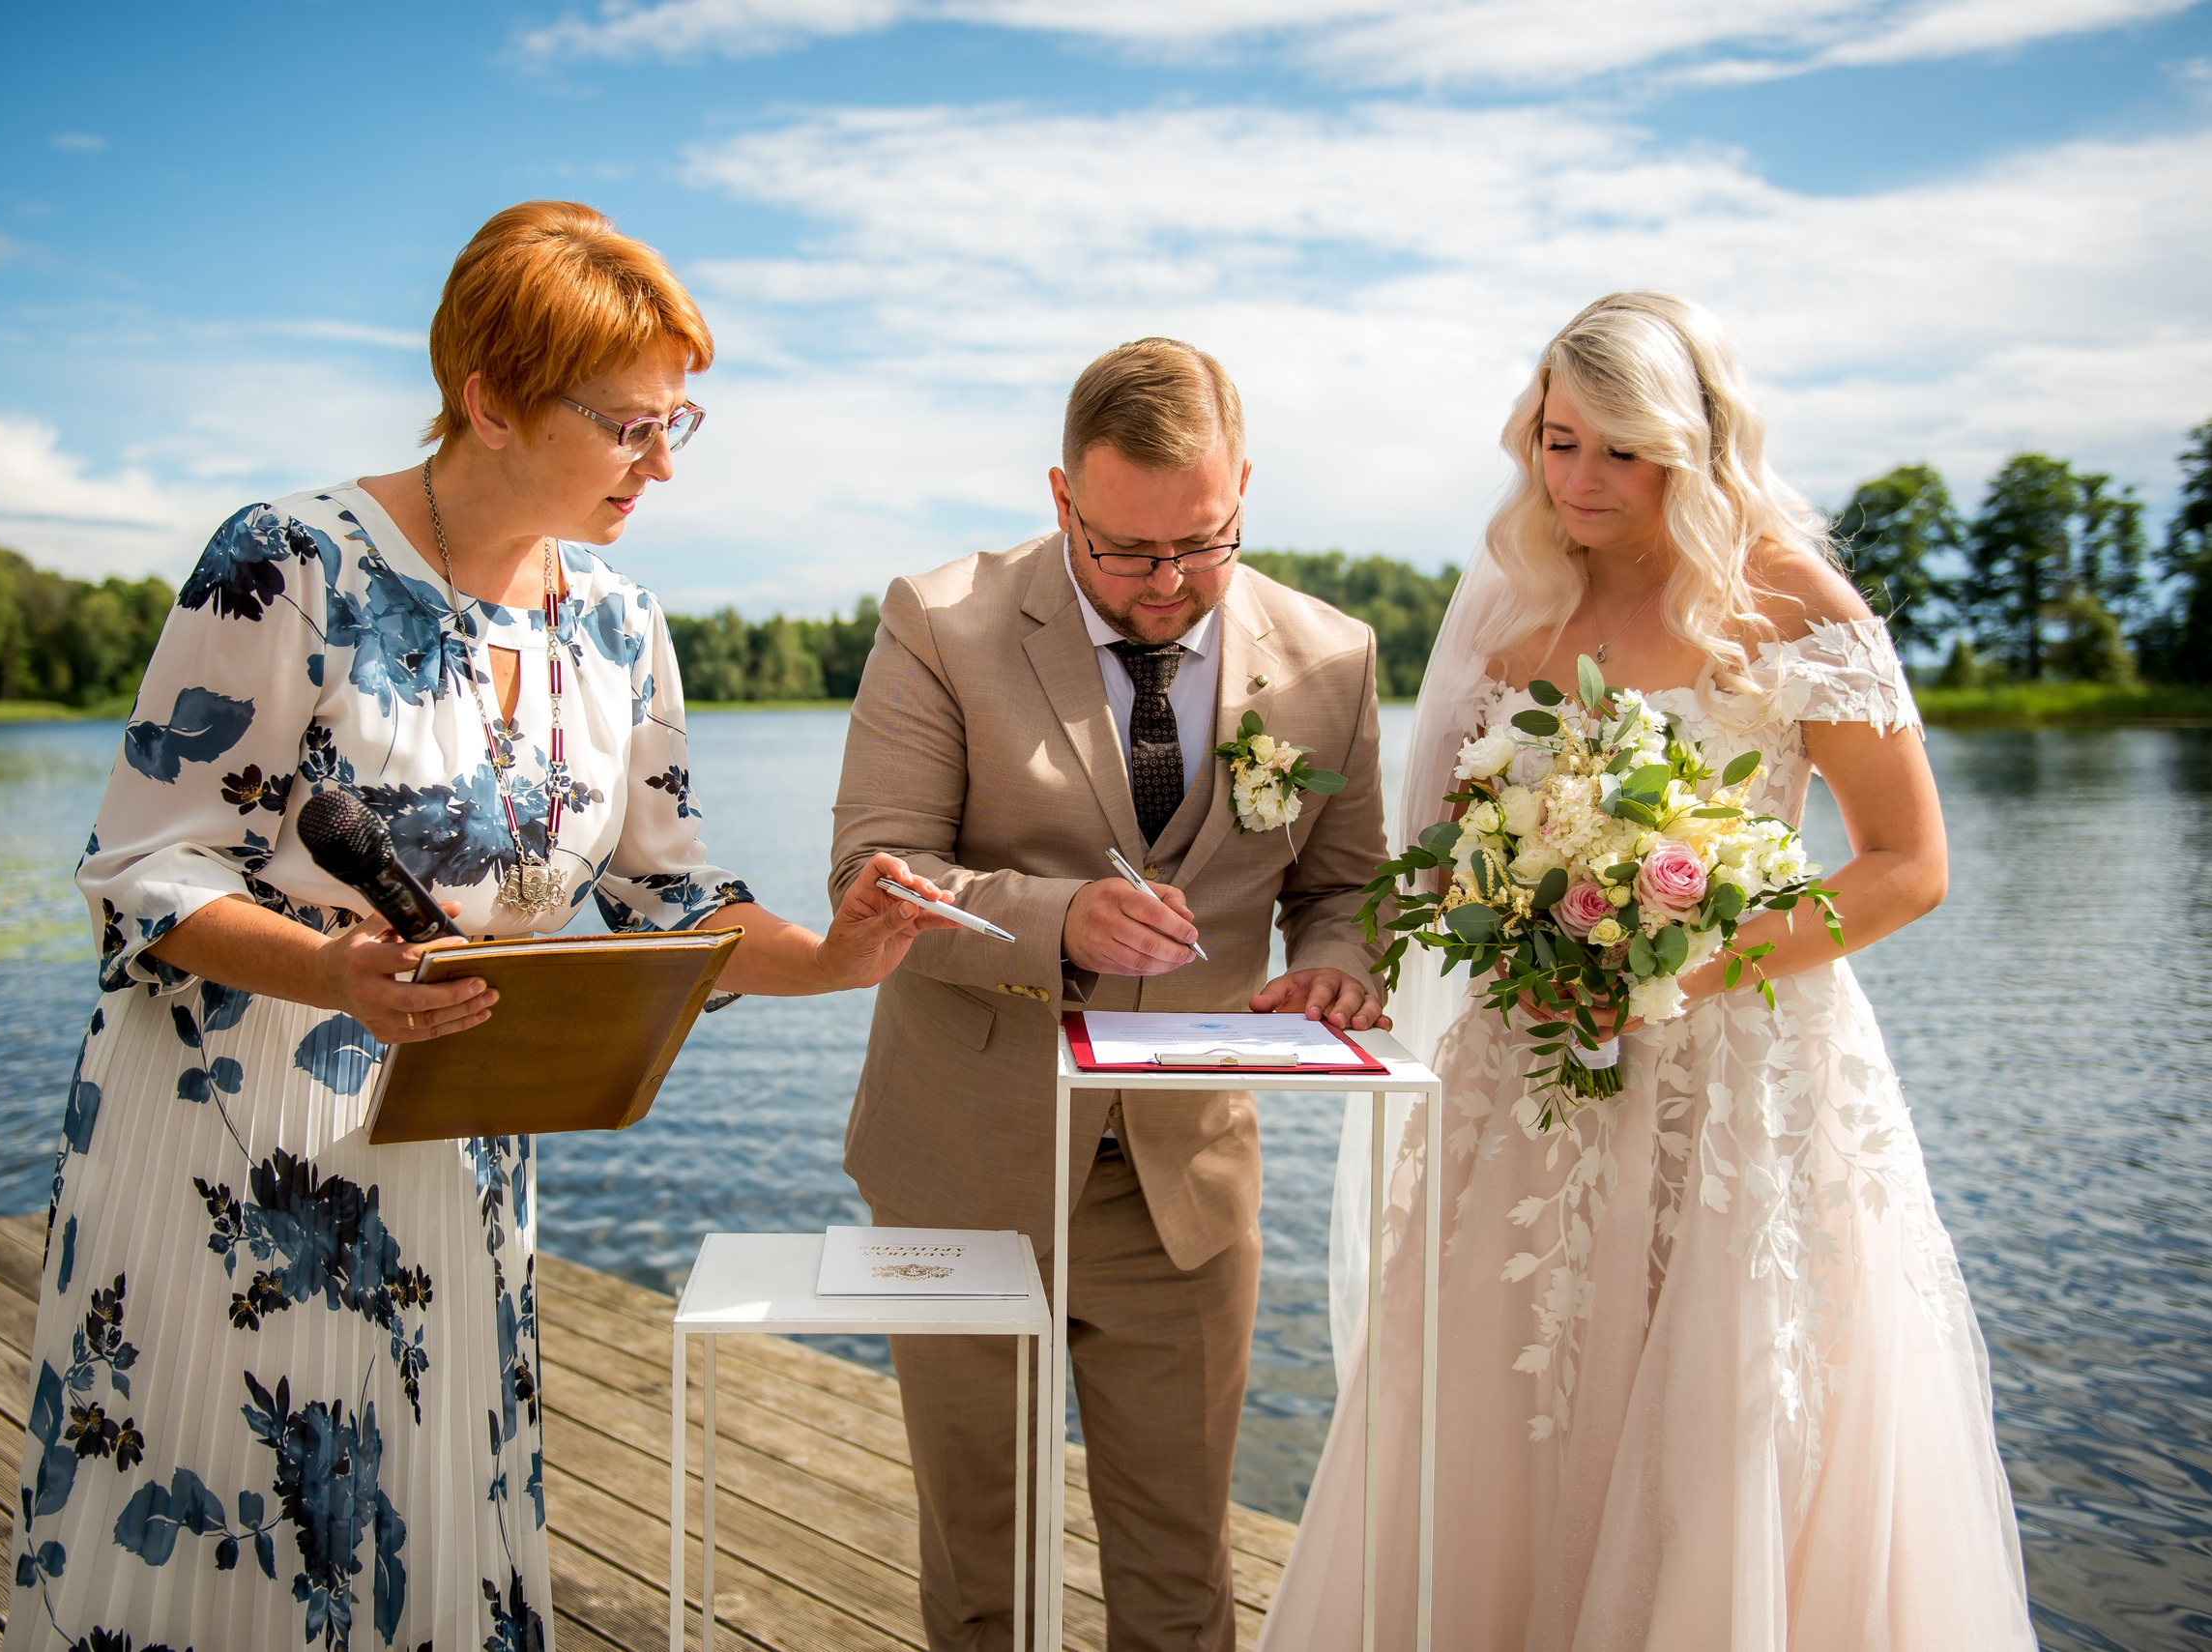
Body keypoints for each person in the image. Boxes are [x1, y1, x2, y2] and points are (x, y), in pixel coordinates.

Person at [4, 200, 958, 1651]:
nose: (660, 462)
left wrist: (837, 953)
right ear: (490, 401)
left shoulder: (622, 624)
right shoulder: (288, 561)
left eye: (676, 424)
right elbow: (146, 864)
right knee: (235, 1536)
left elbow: (668, 896)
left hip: (458, 1148)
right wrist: (331, 968)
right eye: (630, 424)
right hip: (238, 1147)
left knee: (423, 1529)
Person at [1262, 292, 2035, 1649]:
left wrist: (1677, 960)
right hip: (1536, 1081)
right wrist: (1367, 968)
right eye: (1560, 442)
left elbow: (1908, 864)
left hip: (1743, 1081)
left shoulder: (1790, 599)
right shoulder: (1511, 604)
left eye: (1622, 449)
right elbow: (1443, 865)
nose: (1582, 480)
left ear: (1694, 443)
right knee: (1510, 1414)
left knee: (1728, 1425)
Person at [830, 336, 1391, 1650]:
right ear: (1059, 495)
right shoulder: (942, 618)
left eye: (1204, 543)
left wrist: (1342, 964)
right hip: (964, 1160)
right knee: (984, 1581)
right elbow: (879, 873)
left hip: (1184, 1184)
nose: (1169, 585)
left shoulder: (1332, 658)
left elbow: (1352, 886)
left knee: (1182, 1584)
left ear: (1243, 485)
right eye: (1127, 552)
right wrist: (1058, 922)